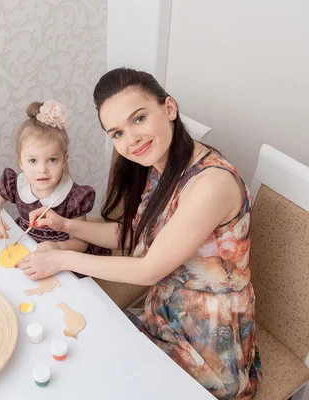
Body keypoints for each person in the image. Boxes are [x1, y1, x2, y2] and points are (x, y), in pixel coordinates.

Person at [16, 68, 261, 399]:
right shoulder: (161, 166)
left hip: (208, 337)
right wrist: (66, 225)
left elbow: (149, 268)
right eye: (116, 133)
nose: (130, 140)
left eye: (139, 119)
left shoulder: (211, 184)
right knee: (77, 354)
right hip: (163, 310)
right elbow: (136, 237)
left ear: (169, 109)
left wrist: (63, 258)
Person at [0, 100, 97, 253]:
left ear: (64, 160)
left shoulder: (74, 198)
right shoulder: (15, 185)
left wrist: (58, 247)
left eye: (52, 160)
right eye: (32, 161)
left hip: (60, 256)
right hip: (24, 248)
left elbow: (81, 242)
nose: (42, 170)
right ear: (21, 163)